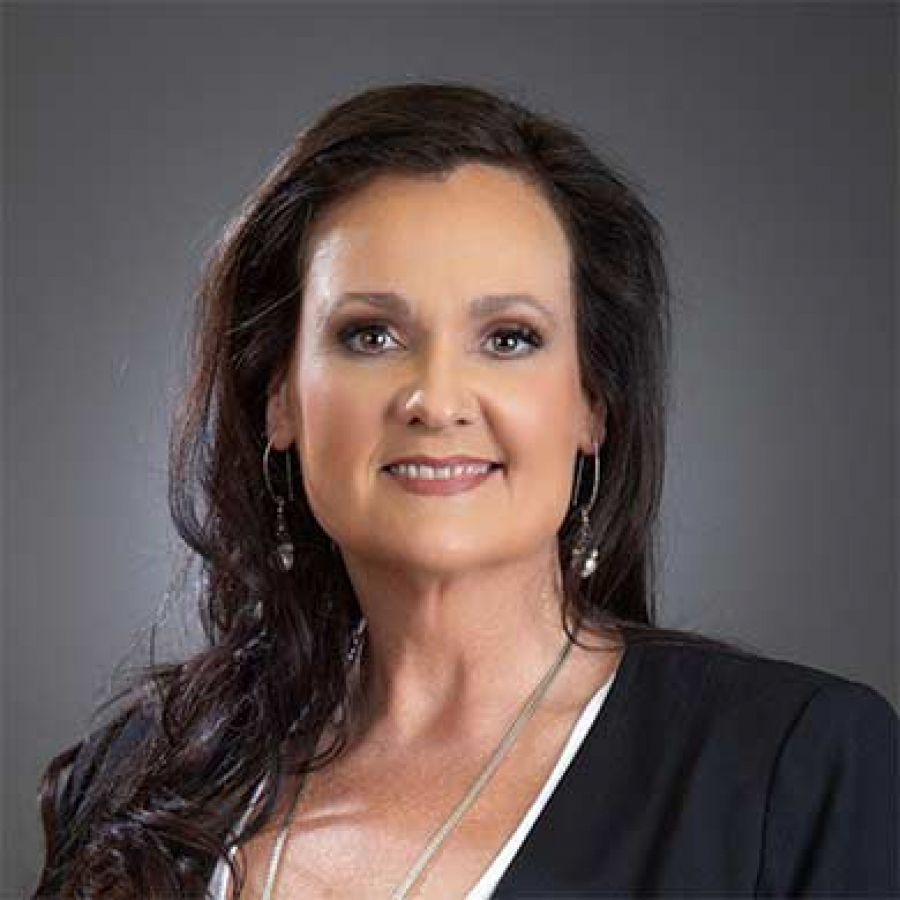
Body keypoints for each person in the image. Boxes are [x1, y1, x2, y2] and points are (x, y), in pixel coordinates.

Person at [34, 81, 897, 899]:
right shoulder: (137, 775)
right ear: (280, 398)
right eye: (370, 335)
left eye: (509, 338)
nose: (436, 399)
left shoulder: (794, 769)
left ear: (593, 405)